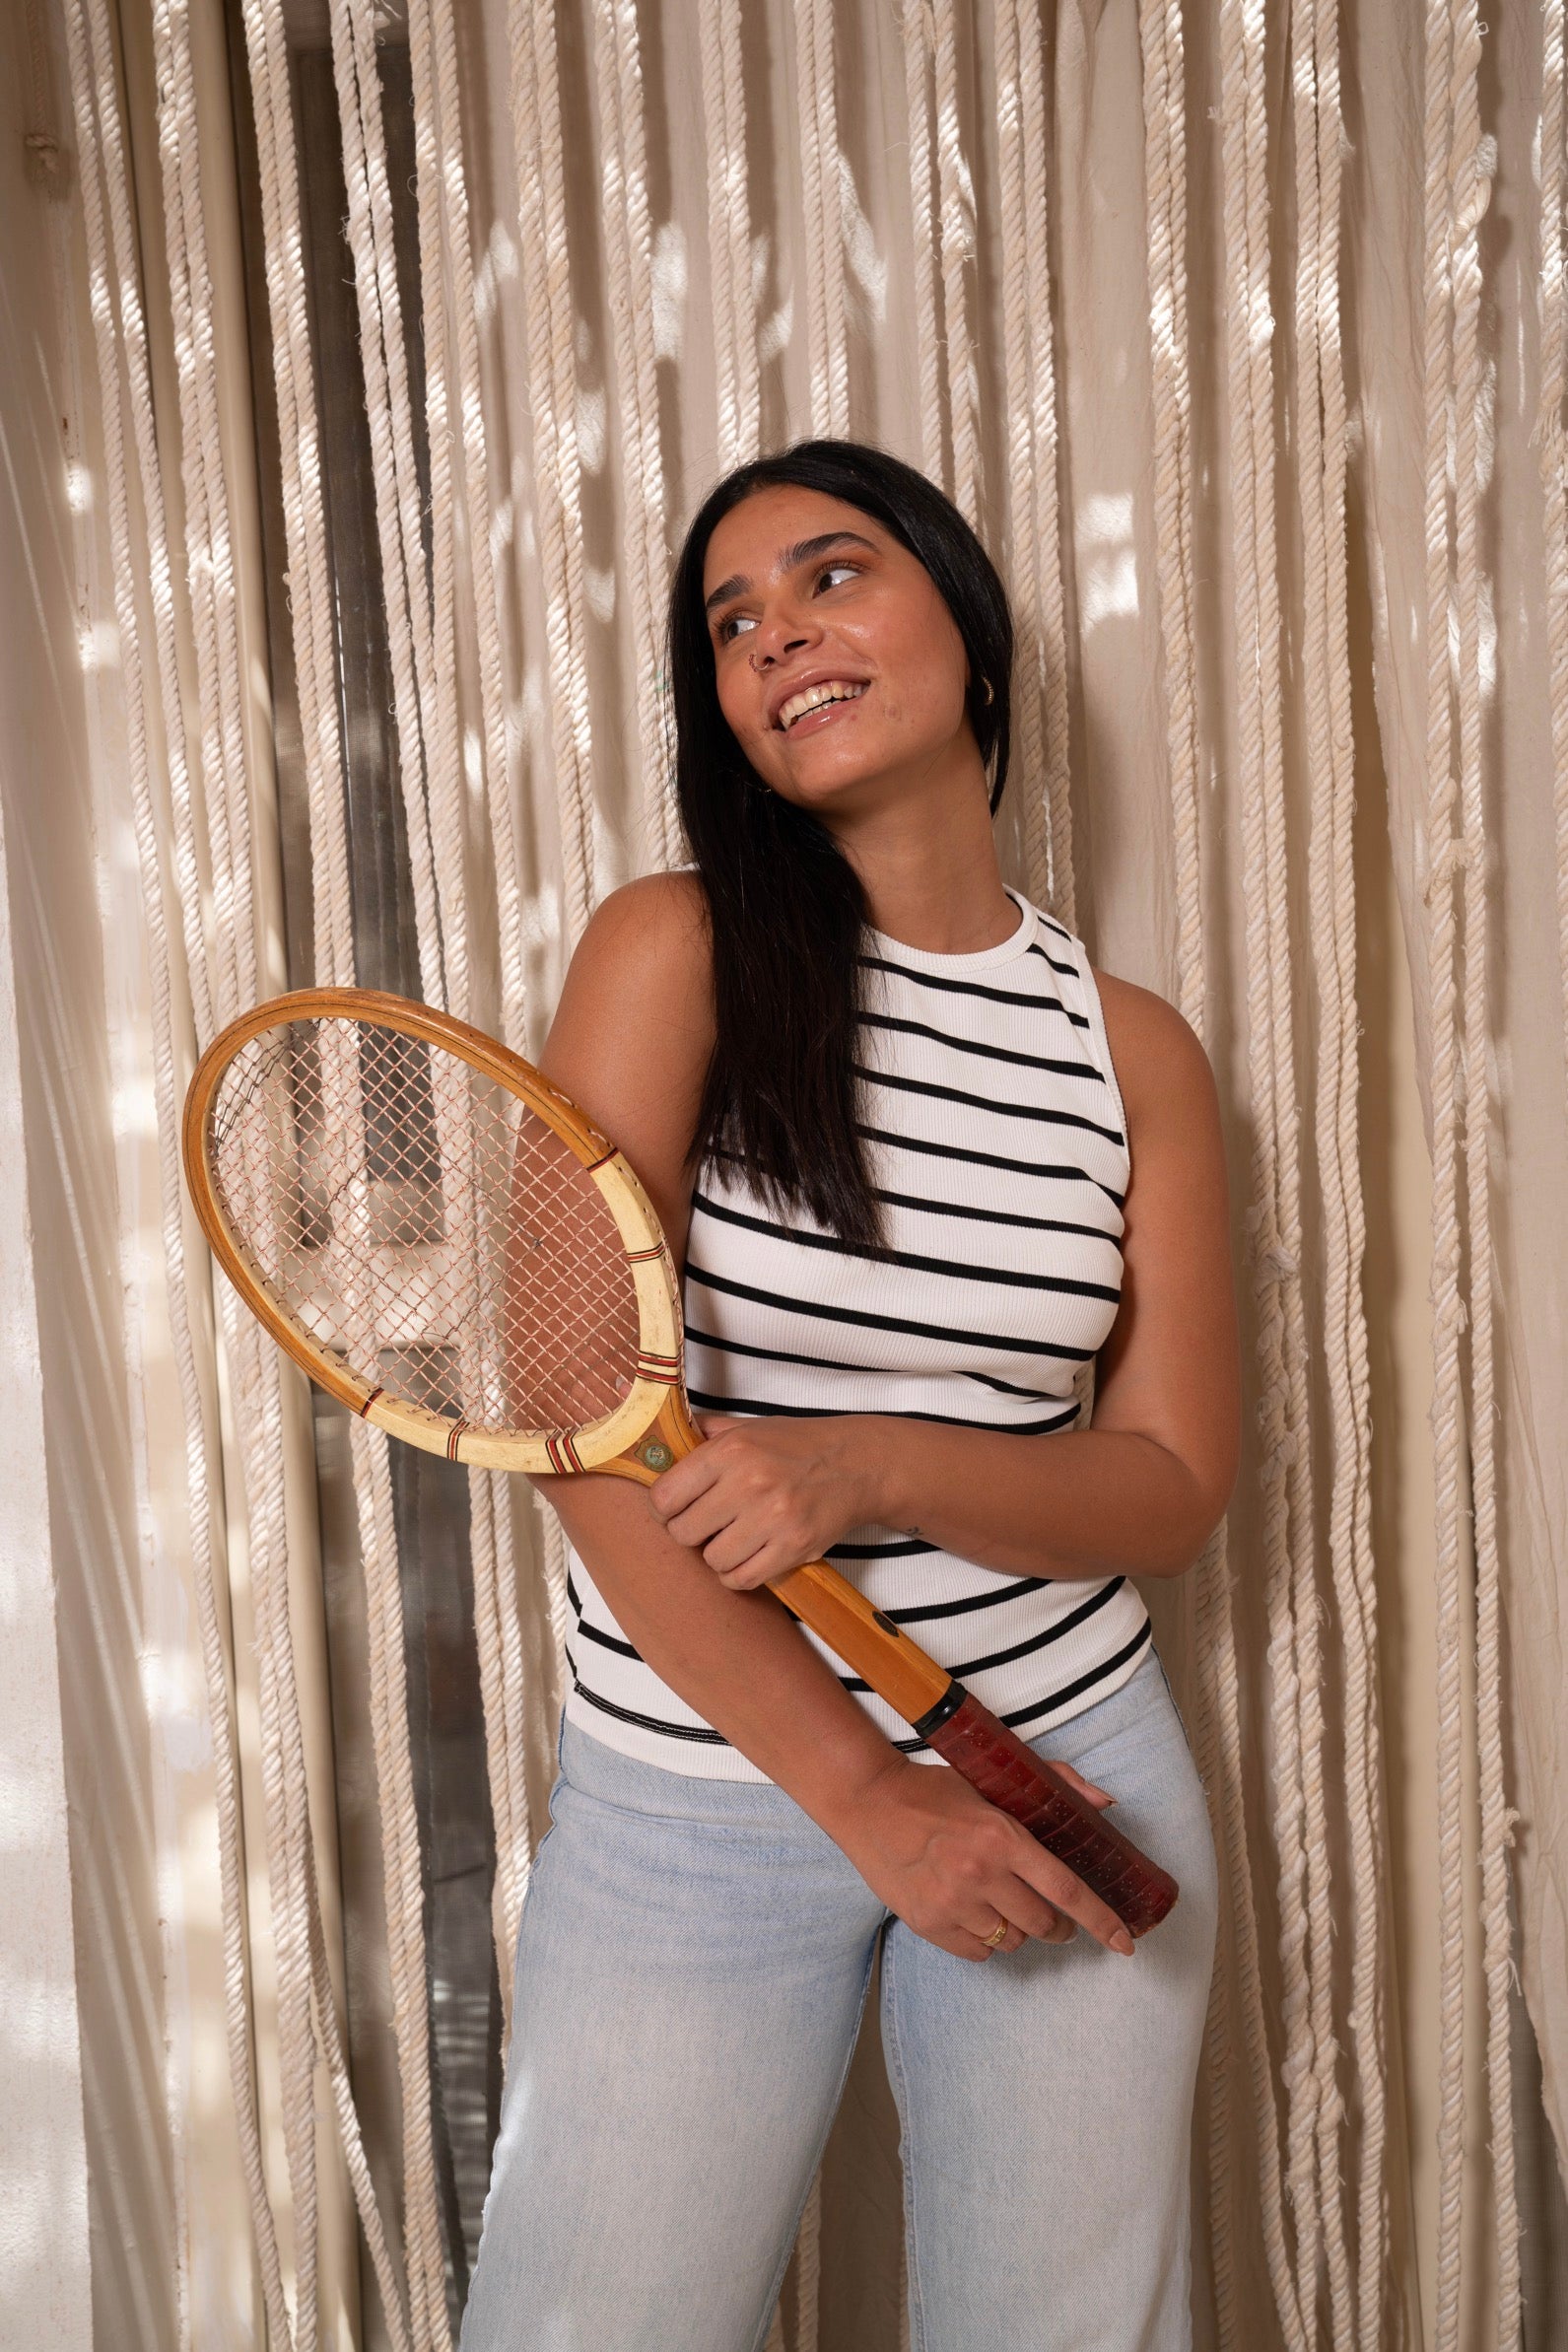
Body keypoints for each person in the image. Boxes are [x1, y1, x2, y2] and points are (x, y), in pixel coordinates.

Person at [458, 440, 1235, 2352]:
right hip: (702, 1794)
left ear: (965, 629)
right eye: (730, 620)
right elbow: (574, 1414)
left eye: (829, 575)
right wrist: (866, 1798)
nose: (776, 634)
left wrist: (865, 1461)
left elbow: (1169, 1483)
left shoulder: (1128, 1047)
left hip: (1063, 1761)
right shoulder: (675, 946)